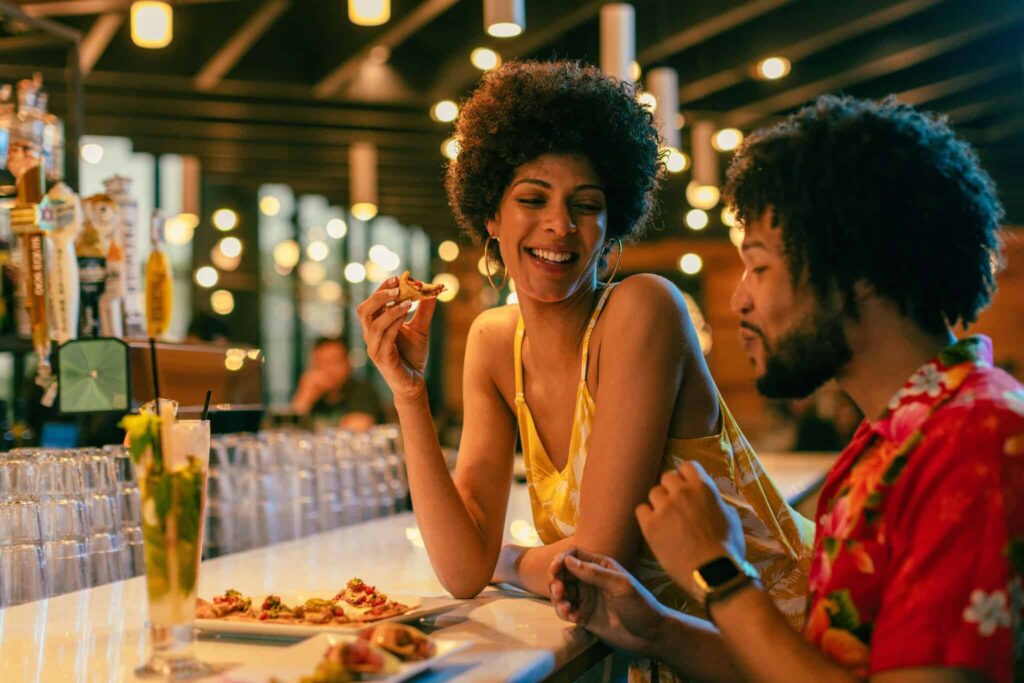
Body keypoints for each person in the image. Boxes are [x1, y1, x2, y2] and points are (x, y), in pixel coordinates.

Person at [358, 60, 813, 680]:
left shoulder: (644, 309)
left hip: (788, 644)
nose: (560, 225)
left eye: (587, 204)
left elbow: (600, 564)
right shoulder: (493, 341)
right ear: (490, 217)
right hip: (681, 654)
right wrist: (408, 394)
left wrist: (509, 558)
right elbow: (464, 570)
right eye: (532, 198)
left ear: (611, 222)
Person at [550, 94, 1023, 682]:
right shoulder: (891, 441)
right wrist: (656, 629)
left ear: (858, 271)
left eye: (761, 266)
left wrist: (720, 574)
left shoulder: (976, 440)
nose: (739, 299)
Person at [291, 336, 385, 432]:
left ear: (348, 363)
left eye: (334, 362)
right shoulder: (313, 394)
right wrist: (303, 398)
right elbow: (291, 431)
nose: (328, 369)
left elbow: (355, 431)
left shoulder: (362, 391)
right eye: (320, 363)